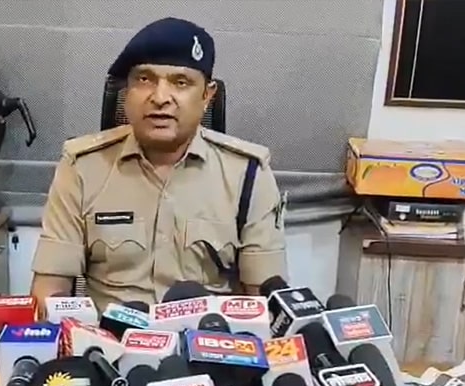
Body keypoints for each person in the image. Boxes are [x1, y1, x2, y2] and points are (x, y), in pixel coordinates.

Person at [31, 17, 287, 312]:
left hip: (208, 336)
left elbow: (266, 300)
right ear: (126, 93)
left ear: (207, 96)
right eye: (144, 80)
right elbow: (49, 292)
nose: (161, 98)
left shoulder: (248, 173)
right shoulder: (81, 167)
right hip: (108, 337)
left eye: (181, 82)